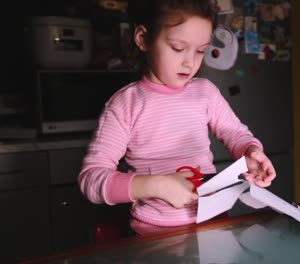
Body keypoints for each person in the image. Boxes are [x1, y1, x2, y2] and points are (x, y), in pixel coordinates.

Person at [78, 0, 276, 235]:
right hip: (154, 234)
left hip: (214, 222)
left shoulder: (205, 92)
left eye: (201, 50)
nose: (190, 62)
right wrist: (156, 185)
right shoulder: (125, 104)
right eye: (177, 48)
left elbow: (235, 133)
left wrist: (251, 151)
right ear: (143, 39)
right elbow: (91, 179)